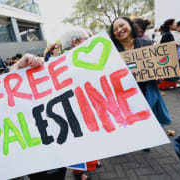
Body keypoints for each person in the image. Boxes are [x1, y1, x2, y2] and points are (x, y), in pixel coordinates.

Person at [110, 17, 172, 133]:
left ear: (130, 25)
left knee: (147, 120)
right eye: (115, 29)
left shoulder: (146, 44)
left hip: (145, 90)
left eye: (122, 25)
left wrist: (158, 77)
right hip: (123, 94)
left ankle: (146, 139)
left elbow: (156, 71)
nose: (119, 30)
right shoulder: (111, 50)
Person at [60, 27, 100, 180]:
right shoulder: (62, 63)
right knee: (77, 142)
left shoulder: (86, 57)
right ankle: (78, 171)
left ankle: (92, 161)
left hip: (89, 105)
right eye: (86, 39)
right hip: (74, 110)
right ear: (76, 42)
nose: (90, 42)